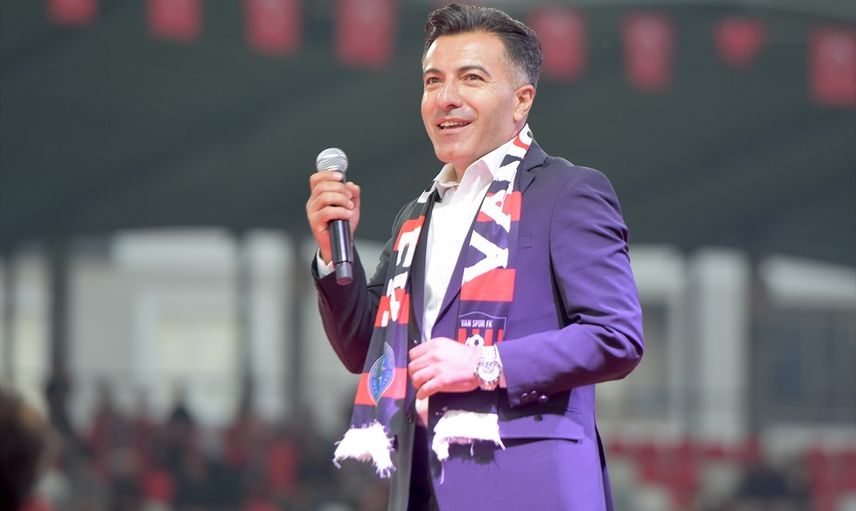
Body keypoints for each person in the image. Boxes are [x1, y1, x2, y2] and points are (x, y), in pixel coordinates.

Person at [306, 4, 644, 510]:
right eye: (433, 80)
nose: (446, 97)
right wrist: (334, 253)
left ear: (521, 100)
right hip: (423, 487)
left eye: (471, 78)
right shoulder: (416, 217)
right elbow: (362, 348)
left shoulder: (566, 193)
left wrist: (485, 363)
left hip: (531, 488)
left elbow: (616, 336)